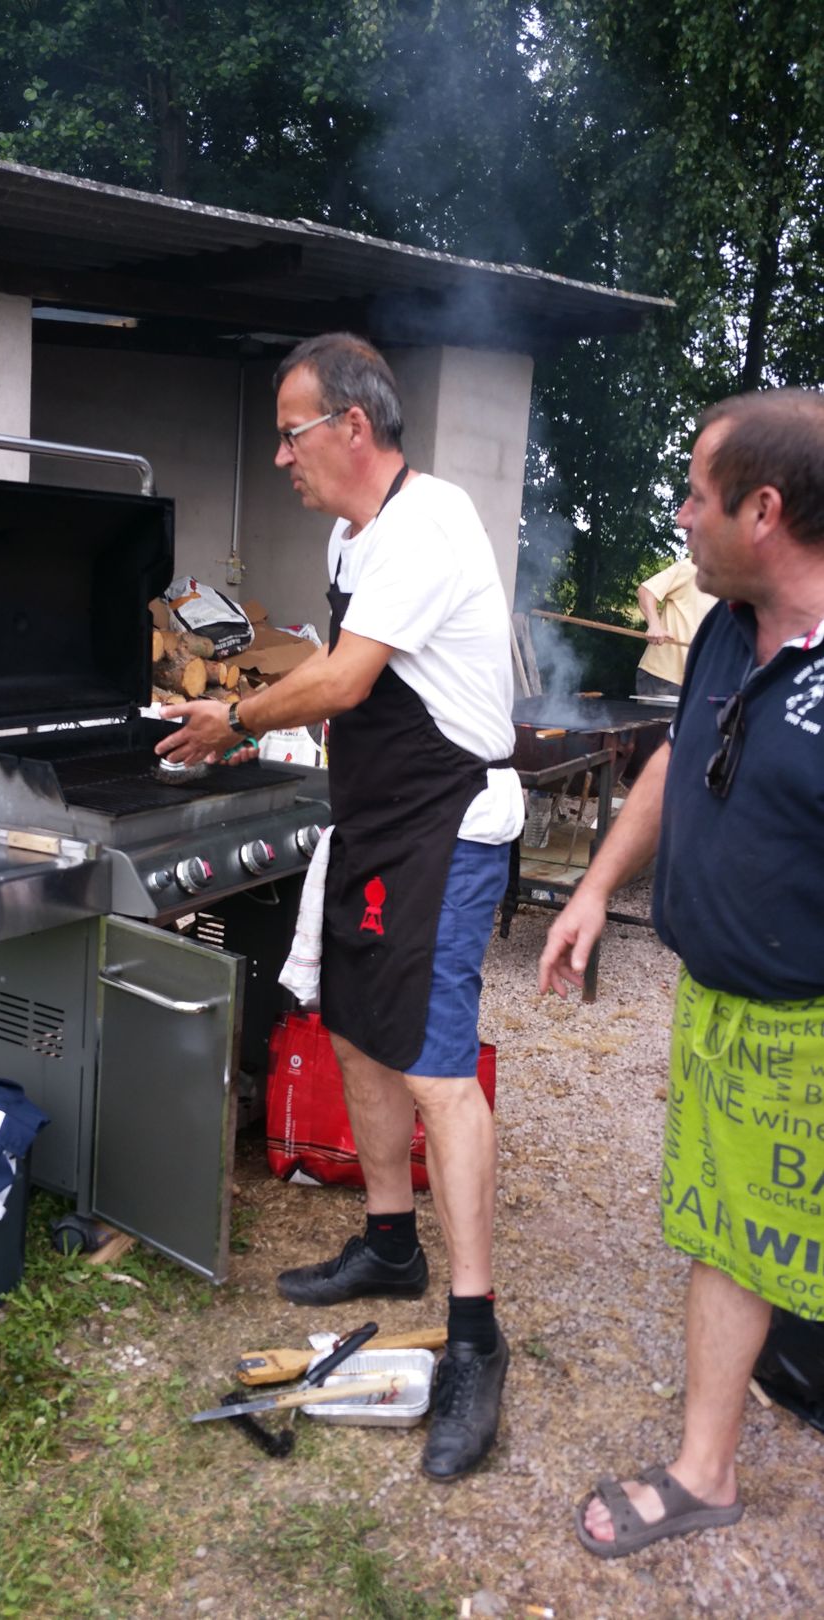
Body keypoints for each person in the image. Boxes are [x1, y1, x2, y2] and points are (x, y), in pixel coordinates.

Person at [156, 332, 524, 1481]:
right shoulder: (348, 536)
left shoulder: (428, 523)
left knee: (435, 1067)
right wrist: (259, 711)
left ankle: (476, 1335)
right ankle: (387, 1244)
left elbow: (350, 677)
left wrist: (234, 719)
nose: (280, 456)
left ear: (351, 427)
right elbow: (344, 678)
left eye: (291, 433)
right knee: (359, 1031)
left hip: (450, 823)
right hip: (375, 817)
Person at [539, 387, 824, 1558]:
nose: (678, 517)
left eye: (695, 496)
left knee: (747, 1241)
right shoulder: (724, 626)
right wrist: (595, 886)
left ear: (763, 511)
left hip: (802, 1027)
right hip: (718, 1003)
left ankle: (703, 1475)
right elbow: (677, 754)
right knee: (737, 1237)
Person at [635, 553, 715, 698]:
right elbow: (646, 592)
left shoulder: (739, 589)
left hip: (702, 684)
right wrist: (654, 625)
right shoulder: (692, 568)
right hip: (664, 678)